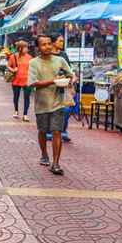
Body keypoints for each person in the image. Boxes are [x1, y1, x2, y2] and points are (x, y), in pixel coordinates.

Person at [28, 34, 76, 176]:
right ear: (37, 47)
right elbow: (33, 83)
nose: (47, 47)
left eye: (49, 43)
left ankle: (56, 163)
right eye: (43, 44)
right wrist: (53, 81)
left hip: (57, 102)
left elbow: (72, 74)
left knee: (56, 131)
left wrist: (71, 82)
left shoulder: (60, 60)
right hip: (41, 102)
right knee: (42, 131)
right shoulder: (34, 63)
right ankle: (44, 154)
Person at [50, 33, 78, 142]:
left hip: (64, 86)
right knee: (51, 110)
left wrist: (72, 87)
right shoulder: (46, 55)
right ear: (53, 42)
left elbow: (70, 72)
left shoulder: (64, 55)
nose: (62, 43)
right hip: (50, 88)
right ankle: (50, 131)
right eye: (60, 41)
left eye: (62, 41)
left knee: (65, 109)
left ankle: (63, 131)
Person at [6, 41, 33, 121]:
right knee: (16, 96)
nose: (27, 49)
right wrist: (13, 69)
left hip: (27, 80)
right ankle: (16, 111)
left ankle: (25, 114)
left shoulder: (29, 57)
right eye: (25, 47)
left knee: (26, 97)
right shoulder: (13, 57)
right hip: (16, 79)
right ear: (20, 48)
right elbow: (8, 66)